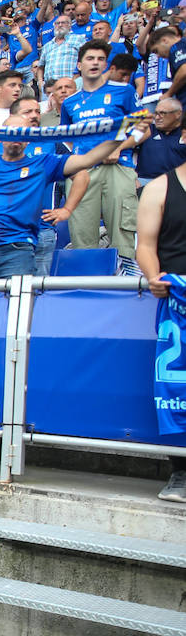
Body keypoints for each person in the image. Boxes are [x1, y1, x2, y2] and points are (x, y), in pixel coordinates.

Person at [0, 118, 125, 278]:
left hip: (17, 252)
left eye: (21, 132)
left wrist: (124, 131)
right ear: (1, 136)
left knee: (17, 310)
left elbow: (87, 161)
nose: (16, 136)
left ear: (28, 138)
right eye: (11, 131)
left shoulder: (42, 162)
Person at [135, 156, 186, 504]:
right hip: (179, 307)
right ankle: (181, 471)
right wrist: (154, 277)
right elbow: (146, 247)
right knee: (178, 387)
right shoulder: (160, 187)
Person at [61, 40, 141, 257]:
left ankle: (127, 288)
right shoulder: (70, 102)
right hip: (83, 172)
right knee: (82, 236)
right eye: (90, 58)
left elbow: (143, 130)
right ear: (79, 65)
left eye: (100, 59)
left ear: (106, 64)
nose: (95, 63)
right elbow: (68, 138)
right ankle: (87, 287)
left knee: (123, 233)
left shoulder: (123, 91)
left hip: (118, 167)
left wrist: (118, 147)